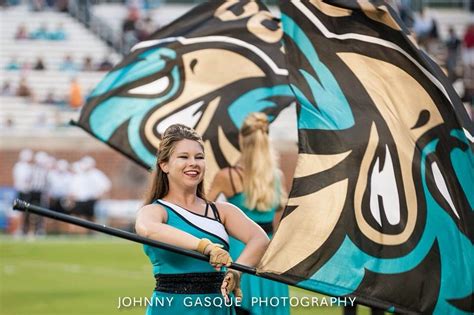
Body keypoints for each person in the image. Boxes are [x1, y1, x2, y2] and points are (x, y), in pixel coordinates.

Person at [135, 124, 269, 315]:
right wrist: (205, 247)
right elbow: (148, 229)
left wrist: (237, 272)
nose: (193, 163)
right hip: (173, 307)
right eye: (183, 157)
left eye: (199, 157)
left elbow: (260, 239)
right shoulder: (155, 210)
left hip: (218, 307)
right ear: (164, 165)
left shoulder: (221, 211)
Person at [207, 112, 289, 315]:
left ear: (242, 139)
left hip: (239, 252)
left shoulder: (228, 176)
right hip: (270, 254)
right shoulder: (276, 177)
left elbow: (202, 212)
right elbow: (280, 223)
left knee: (238, 307)